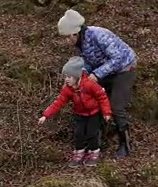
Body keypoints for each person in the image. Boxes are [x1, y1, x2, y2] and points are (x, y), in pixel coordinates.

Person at [57, 9, 136, 159]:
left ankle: (125, 145)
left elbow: (117, 58)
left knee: (116, 106)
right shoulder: (80, 42)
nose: (66, 41)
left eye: (67, 38)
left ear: (75, 33)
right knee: (92, 98)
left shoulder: (98, 35)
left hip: (125, 68)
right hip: (106, 70)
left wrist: (96, 74)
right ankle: (94, 143)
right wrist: (78, 77)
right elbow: (88, 61)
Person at [39, 56, 112, 168]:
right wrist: (45, 115)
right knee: (78, 134)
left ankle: (94, 152)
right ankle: (79, 152)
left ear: (76, 76)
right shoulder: (68, 89)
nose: (66, 79)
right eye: (65, 77)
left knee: (92, 133)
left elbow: (102, 97)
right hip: (80, 114)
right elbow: (58, 102)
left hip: (94, 113)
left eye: (69, 77)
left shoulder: (89, 84)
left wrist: (106, 112)